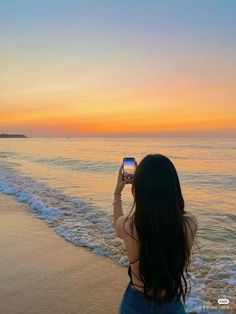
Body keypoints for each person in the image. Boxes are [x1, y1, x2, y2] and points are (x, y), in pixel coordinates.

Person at [113, 154, 198, 314]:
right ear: (173, 186)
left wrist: (118, 192)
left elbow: (118, 228)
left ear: (141, 187)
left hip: (135, 303)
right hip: (171, 302)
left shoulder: (127, 226)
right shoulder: (189, 224)